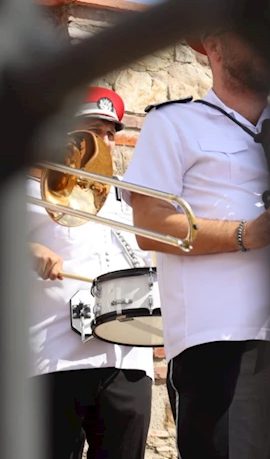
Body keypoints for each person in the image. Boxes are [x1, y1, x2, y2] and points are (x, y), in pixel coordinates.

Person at [122, 28, 270, 459]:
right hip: (220, 342)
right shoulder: (173, 122)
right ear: (212, 45)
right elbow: (150, 225)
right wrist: (246, 234)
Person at [27, 86, 154, 459]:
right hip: (54, 355)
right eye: (93, 131)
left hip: (127, 360)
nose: (104, 142)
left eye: (110, 133)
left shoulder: (133, 201)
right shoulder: (28, 187)